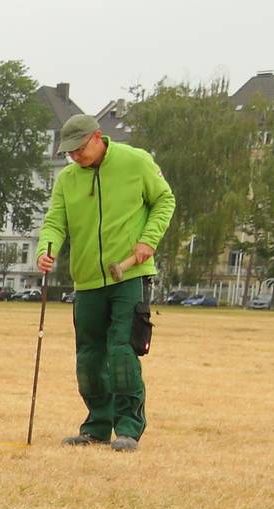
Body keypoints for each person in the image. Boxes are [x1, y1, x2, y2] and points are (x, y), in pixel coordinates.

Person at [36, 113, 174, 453]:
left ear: (98, 137)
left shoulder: (136, 161)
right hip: (86, 281)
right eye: (69, 153)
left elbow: (164, 201)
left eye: (80, 150)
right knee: (89, 356)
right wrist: (45, 249)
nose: (75, 157)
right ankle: (96, 426)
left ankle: (128, 429)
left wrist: (149, 240)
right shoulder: (67, 179)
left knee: (121, 350)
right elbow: (55, 222)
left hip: (129, 275)